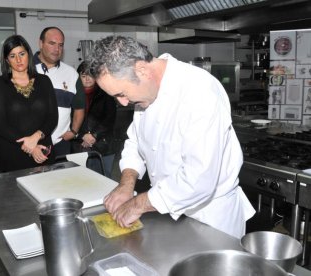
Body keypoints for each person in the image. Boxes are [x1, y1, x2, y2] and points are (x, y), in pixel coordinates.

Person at [87, 36, 255, 238]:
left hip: (209, 220)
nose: (123, 103)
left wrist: (139, 203)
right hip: (165, 209)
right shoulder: (145, 92)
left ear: (142, 70)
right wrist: (126, 183)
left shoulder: (199, 91)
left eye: (121, 93)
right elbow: (135, 142)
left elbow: (198, 178)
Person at [0, 35, 58, 172]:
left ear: (29, 54)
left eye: (22, 54)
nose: (19, 60)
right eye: (12, 56)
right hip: (14, 152)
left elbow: (52, 117)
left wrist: (36, 137)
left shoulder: (44, 81)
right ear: (7, 60)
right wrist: (31, 147)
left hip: (43, 151)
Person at [33, 27, 85, 157]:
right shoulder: (27, 71)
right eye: (52, 43)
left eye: (60, 45)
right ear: (41, 44)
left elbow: (79, 107)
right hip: (33, 144)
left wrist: (73, 132)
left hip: (61, 143)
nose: (57, 49)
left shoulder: (71, 74)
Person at [72, 61, 117, 177]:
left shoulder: (106, 93)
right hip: (79, 143)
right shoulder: (72, 94)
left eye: (91, 75)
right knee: (82, 179)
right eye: (83, 75)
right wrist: (82, 135)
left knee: (104, 179)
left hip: (103, 144)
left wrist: (94, 135)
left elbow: (109, 118)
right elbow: (69, 118)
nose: (87, 79)